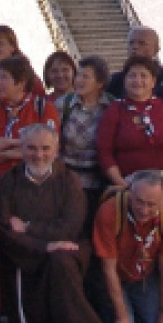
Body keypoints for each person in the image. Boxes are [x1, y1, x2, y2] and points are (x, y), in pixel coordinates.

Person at [0, 124, 114, 323]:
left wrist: (28, 227)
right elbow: (5, 230)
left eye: (45, 148)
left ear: (56, 150)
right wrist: (43, 246)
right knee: (53, 256)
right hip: (24, 253)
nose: (39, 155)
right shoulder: (8, 182)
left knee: (62, 259)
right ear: (22, 149)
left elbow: (69, 228)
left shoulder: (69, 181)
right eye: (31, 148)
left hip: (69, 246)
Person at [93, 170, 163, 323]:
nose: (144, 210)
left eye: (151, 204)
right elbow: (108, 269)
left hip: (144, 276)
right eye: (139, 202)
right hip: (114, 276)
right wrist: (121, 317)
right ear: (130, 193)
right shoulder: (110, 210)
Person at [97, 55, 163, 187]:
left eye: (143, 76)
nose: (138, 81)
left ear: (153, 81)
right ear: (125, 80)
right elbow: (104, 152)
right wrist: (121, 183)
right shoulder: (115, 110)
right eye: (132, 76)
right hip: (130, 183)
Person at [0, 55, 59, 180]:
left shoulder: (43, 108)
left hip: (29, 180)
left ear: (21, 83)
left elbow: (48, 149)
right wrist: (20, 142)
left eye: (4, 77)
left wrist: (4, 154)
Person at [57, 55, 112, 227]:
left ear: (100, 83)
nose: (78, 80)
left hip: (98, 181)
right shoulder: (63, 105)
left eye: (85, 76)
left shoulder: (112, 106)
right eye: (78, 75)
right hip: (67, 180)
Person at [108, 26, 163, 99]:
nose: (135, 47)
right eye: (131, 43)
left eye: (142, 43)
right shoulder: (115, 81)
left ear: (156, 49)